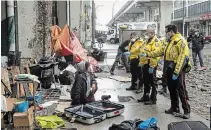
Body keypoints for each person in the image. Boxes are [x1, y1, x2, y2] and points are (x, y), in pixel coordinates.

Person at [140, 24, 191, 119]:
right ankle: (174, 107)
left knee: (181, 90)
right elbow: (160, 51)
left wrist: (177, 71)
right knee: (171, 89)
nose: (166, 34)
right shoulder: (169, 41)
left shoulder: (180, 41)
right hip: (169, 67)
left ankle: (187, 110)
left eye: (167, 32)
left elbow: (182, 57)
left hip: (177, 68)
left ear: (171, 32)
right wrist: (148, 54)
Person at [137, 25, 161, 105]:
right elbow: (143, 51)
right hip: (145, 64)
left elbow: (156, 55)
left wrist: (152, 65)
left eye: (147, 33)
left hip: (151, 64)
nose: (146, 34)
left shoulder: (156, 42)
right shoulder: (147, 41)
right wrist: (141, 62)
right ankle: (146, 96)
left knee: (153, 82)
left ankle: (153, 99)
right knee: (146, 81)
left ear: (152, 33)